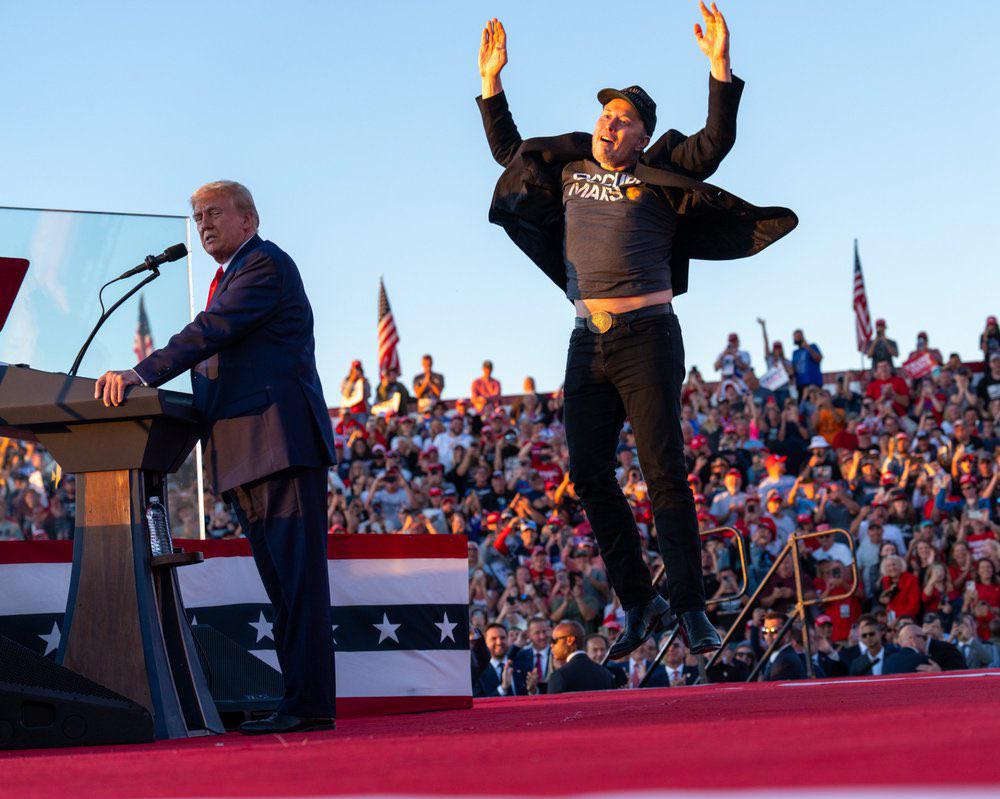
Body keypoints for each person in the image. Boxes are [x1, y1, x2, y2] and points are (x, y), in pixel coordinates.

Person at [475, 6, 795, 660]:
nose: (607, 123)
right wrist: (491, 84)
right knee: (589, 474)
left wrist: (719, 68)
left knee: (664, 471)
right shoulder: (567, 168)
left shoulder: (659, 168)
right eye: (604, 114)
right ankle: (639, 601)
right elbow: (513, 154)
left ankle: (689, 606)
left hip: (649, 334)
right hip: (585, 340)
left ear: (642, 135)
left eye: (622, 119)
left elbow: (713, 144)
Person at [95, 180, 336, 734]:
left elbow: (211, 332)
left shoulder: (264, 267)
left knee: (298, 586)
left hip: (279, 445)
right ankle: (303, 701)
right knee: (283, 588)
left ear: (248, 220)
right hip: (247, 451)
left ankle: (310, 705)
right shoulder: (230, 275)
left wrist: (140, 374)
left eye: (214, 213)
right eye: (197, 216)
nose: (203, 224)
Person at [547, 621, 616, 694]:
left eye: (554, 641)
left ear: (570, 640)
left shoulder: (559, 676)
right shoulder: (605, 674)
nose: (551, 645)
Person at [790, 329, 823, 395]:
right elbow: (793, 369)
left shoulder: (812, 346)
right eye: (794, 337)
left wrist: (808, 348)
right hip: (800, 385)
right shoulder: (795, 353)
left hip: (813, 383)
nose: (796, 339)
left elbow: (818, 359)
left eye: (797, 336)